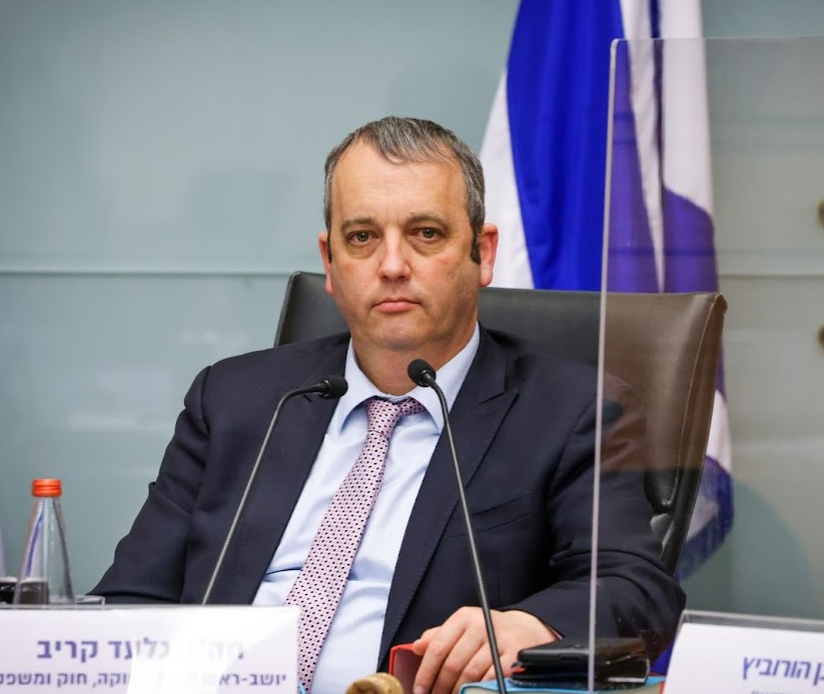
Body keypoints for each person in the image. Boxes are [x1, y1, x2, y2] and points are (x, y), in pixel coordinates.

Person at [93, 117, 684, 694]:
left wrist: (528, 625)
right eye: (362, 237)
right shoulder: (234, 398)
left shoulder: (571, 410)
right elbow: (130, 600)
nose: (393, 265)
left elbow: (635, 587)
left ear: (482, 252)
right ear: (329, 261)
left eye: (426, 233)